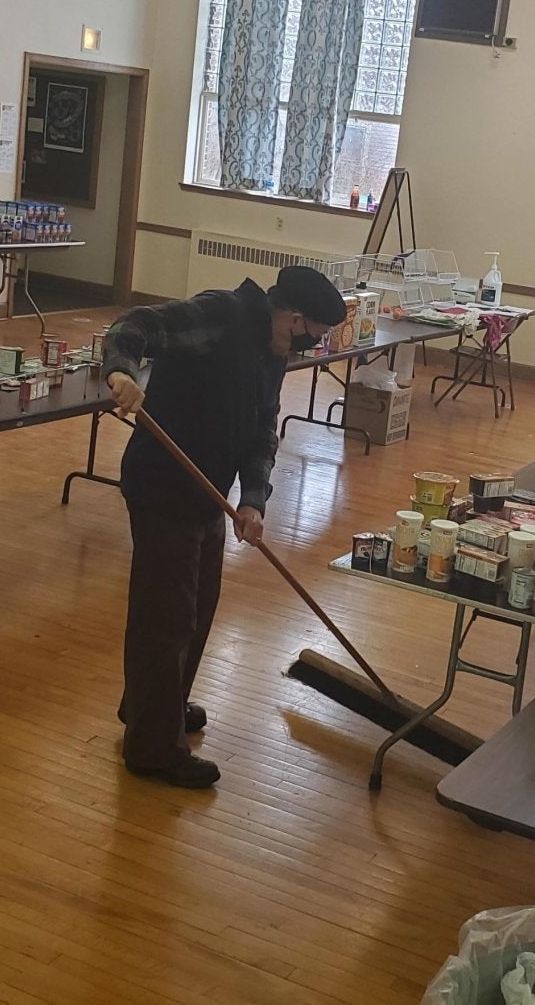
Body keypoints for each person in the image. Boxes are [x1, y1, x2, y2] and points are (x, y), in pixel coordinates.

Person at [102, 267, 347, 788]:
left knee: (198, 606)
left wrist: (254, 499)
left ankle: (152, 707)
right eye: (313, 336)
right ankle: (151, 749)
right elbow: (134, 325)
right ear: (296, 318)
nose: (308, 348)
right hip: (163, 486)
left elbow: (263, 430)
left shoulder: (272, 350)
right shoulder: (221, 314)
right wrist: (122, 372)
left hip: (207, 494)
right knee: (165, 618)